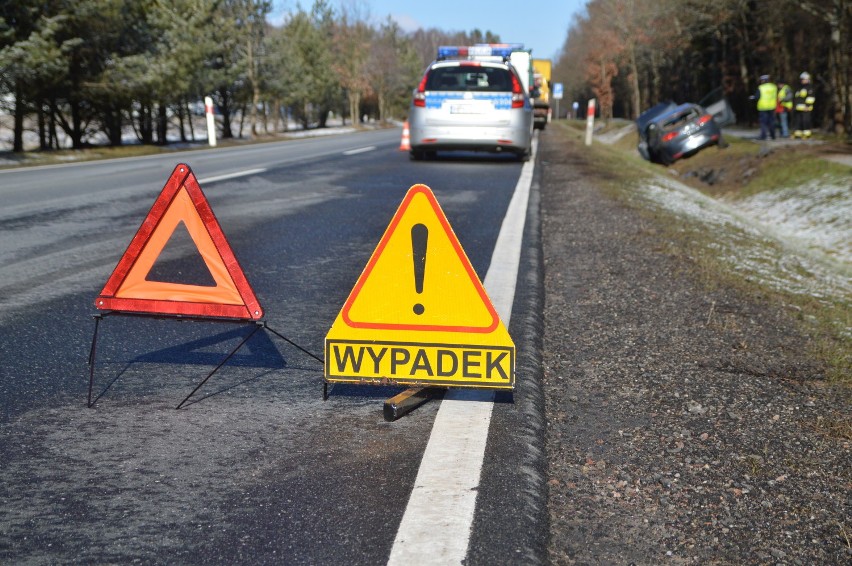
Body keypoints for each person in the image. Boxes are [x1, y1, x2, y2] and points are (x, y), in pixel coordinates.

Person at [792, 72, 816, 139]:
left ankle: (807, 134)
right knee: (798, 122)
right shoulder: (799, 88)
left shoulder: (809, 88)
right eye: (802, 79)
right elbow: (796, 98)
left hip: (806, 108)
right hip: (798, 108)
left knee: (805, 121)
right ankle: (798, 134)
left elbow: (811, 98)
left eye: (804, 79)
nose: (802, 80)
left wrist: (807, 106)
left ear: (808, 79)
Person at [754, 75, 778, 140]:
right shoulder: (774, 87)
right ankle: (773, 136)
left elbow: (757, 97)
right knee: (772, 122)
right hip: (772, 106)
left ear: (763, 81)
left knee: (763, 123)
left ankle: (763, 136)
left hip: (763, 107)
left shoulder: (761, 87)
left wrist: (753, 98)